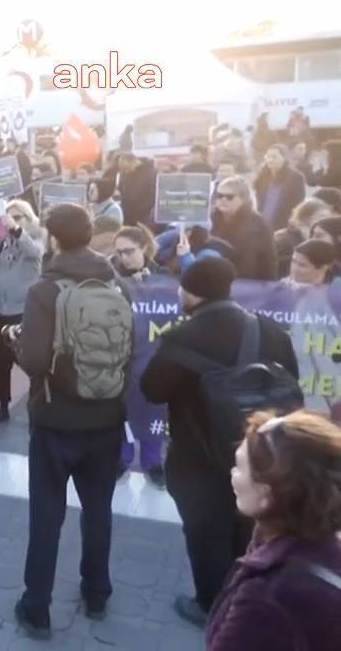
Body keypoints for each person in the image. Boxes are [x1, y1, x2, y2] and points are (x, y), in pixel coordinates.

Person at [139, 256, 299, 628]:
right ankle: (246, 595)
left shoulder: (182, 336)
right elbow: (289, 380)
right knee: (249, 528)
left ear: (191, 293)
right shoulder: (269, 330)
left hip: (199, 458)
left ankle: (211, 606)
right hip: (259, 452)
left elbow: (151, 389)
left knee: (204, 532)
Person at [13, 203, 131, 640]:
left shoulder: (45, 290)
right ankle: (96, 591)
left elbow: (35, 360)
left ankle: (36, 606)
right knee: (98, 508)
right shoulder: (114, 282)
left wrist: (16, 346)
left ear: (53, 238)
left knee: (46, 513)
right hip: (106, 416)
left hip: (55, 418)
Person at [205, 411, 341, 651]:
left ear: (267, 495)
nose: (232, 474)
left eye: (239, 467)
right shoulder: (321, 536)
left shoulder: (266, 599)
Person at [0, 200, 44, 428]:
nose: (12, 221)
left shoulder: (35, 236)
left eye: (19, 217)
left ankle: (40, 400)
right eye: (10, 216)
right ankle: (1, 405)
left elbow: (35, 253)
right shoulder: (0, 238)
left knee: (27, 359)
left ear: (29, 219)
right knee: (0, 361)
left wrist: (16, 229)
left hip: (23, 310)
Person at [211, 176, 277, 280]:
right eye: (219, 195)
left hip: (245, 282)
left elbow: (268, 260)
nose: (223, 200)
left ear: (243, 199)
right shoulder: (209, 220)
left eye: (229, 197)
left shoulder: (259, 224)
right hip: (212, 279)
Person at [272, 199, 333, 278]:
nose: (325, 222)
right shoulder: (285, 239)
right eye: (322, 217)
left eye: (328, 218)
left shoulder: (305, 236)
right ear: (306, 217)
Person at [253, 144, 308, 232]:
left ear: (284, 158)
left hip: (284, 225)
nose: (270, 160)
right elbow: (259, 203)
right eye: (268, 157)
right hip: (264, 224)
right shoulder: (262, 176)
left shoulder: (295, 177)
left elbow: (298, 204)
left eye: (274, 157)